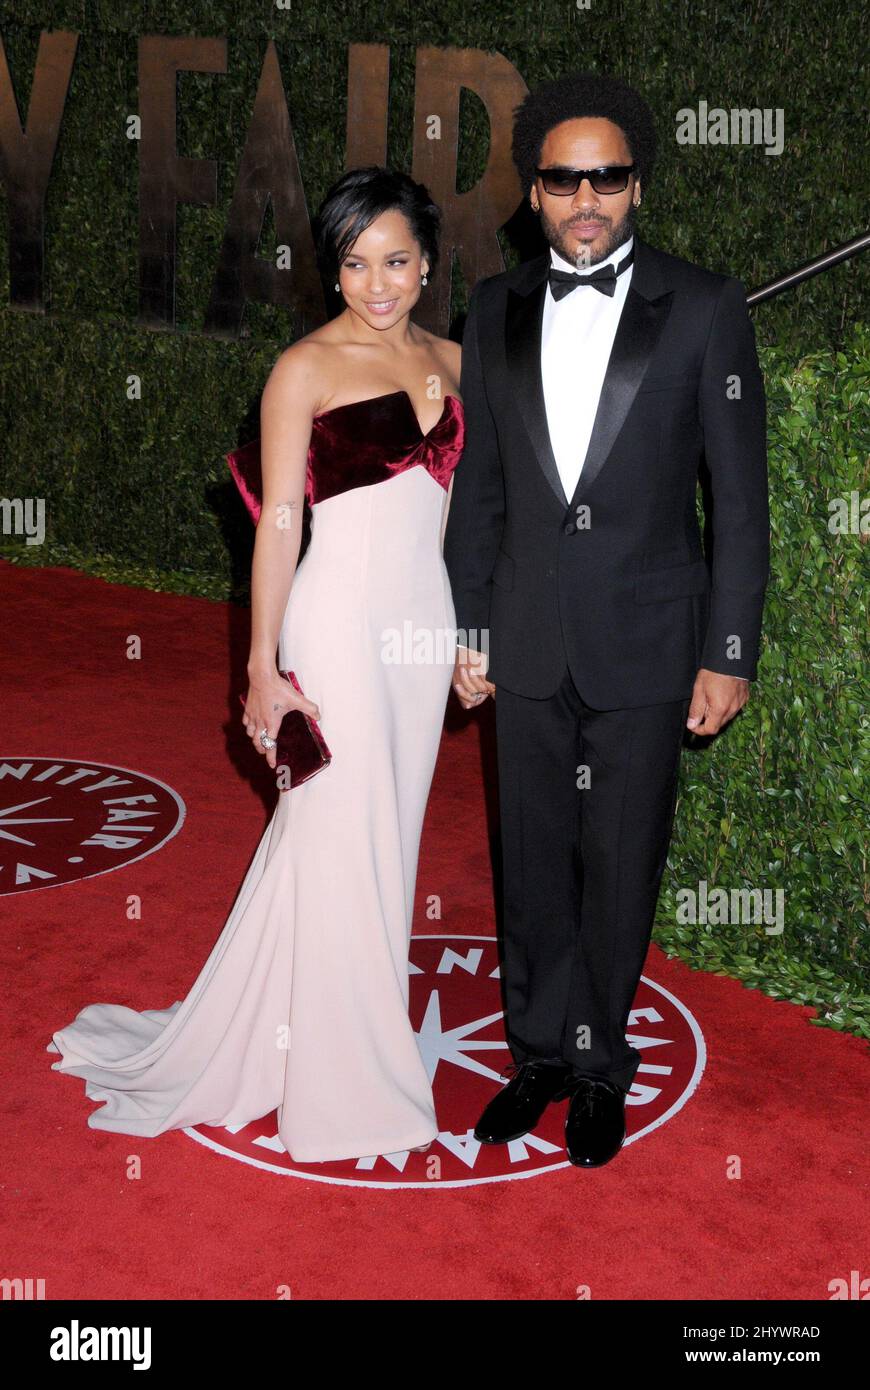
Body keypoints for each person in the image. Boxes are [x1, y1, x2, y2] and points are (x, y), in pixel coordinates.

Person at [47, 167, 465, 1163]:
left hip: (422, 627)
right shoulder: (304, 369)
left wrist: (468, 637)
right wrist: (262, 667)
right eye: (355, 263)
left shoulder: (455, 361)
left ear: (429, 264)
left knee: (382, 842)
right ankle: (347, 1078)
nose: (377, 283)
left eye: (397, 260)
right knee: (336, 833)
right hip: (337, 628)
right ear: (332, 270)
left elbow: (465, 519)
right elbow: (278, 524)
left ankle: (315, 1030)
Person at [444, 71, 769, 1168]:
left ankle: (597, 1065)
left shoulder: (707, 306)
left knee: (618, 858)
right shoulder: (491, 309)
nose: (588, 197)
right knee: (529, 855)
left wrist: (729, 649)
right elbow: (478, 486)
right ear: (532, 191)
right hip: (526, 635)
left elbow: (740, 497)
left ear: (636, 186)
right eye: (564, 178)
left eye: (608, 176)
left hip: (646, 642)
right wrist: (469, 626)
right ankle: (533, 1050)